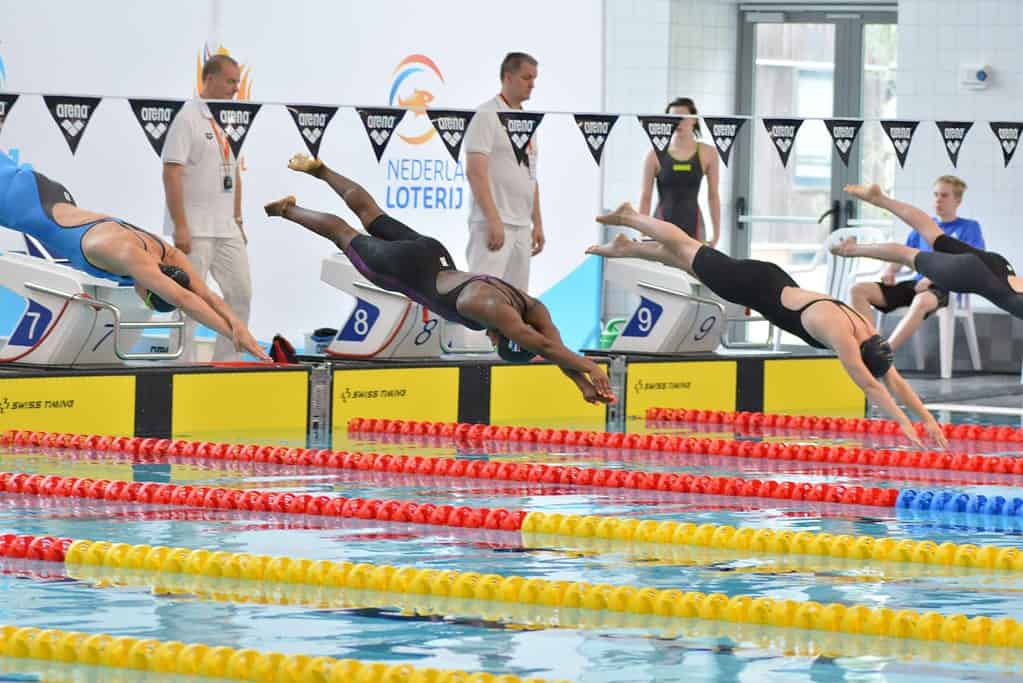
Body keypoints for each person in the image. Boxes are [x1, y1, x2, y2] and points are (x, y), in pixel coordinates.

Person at [588, 202, 946, 449]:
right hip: (754, 287)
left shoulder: (865, 329)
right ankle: (632, 218)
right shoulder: (843, 338)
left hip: (769, 279)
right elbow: (872, 384)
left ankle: (627, 247)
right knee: (686, 247)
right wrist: (903, 424)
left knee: (688, 262)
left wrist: (926, 418)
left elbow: (891, 377)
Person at [264, 154, 614, 405]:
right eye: (497, 342)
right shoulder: (489, 310)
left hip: (432, 253)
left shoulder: (530, 308)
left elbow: (551, 347)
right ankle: (286, 210)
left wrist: (581, 382)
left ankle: (323, 170)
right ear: (507, 337)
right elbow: (546, 348)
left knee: (372, 214)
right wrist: (591, 367)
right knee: (342, 232)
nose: (491, 340)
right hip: (401, 268)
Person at [0, 150, 268, 360]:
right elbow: (184, 298)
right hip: (19, 204)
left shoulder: (167, 254)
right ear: (151, 290)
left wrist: (238, 326)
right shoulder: (130, 256)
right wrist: (233, 335)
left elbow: (206, 295)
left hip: (47, 193)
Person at [162, 52, 253, 362]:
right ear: (209, 78)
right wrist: (180, 225)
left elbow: (235, 172)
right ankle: (180, 364)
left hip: (226, 227)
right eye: (230, 81)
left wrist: (238, 218)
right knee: (187, 300)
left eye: (238, 82)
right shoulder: (187, 118)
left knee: (241, 294)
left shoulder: (230, 120)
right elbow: (171, 172)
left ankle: (226, 362)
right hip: (194, 229)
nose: (235, 89)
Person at [833, 183, 1023, 319]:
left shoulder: (969, 227)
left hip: (1001, 267)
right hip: (973, 275)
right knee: (905, 253)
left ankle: (880, 199)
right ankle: (851, 249)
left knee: (932, 232)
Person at [849, 175, 984, 350]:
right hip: (916, 284)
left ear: (957, 200)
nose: (938, 200)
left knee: (921, 301)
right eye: (935, 195)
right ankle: (869, 347)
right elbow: (902, 254)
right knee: (858, 290)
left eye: (944, 195)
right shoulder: (923, 226)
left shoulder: (969, 227)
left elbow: (970, 263)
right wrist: (890, 271)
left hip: (945, 288)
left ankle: (883, 354)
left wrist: (932, 280)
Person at [463, 52, 544, 291]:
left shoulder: (526, 122)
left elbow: (531, 175)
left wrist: (537, 223)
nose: (532, 84)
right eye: (526, 78)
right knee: (482, 298)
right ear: (508, 77)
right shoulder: (486, 115)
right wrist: (493, 219)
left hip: (521, 226)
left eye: (534, 78)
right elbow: (475, 172)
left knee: (516, 302)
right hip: (495, 224)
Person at [638, 97, 720, 246]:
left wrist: (717, 233)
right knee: (660, 269)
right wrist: (642, 232)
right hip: (661, 224)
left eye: (682, 118)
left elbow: (713, 196)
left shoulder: (708, 153)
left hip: (693, 224)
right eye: (673, 118)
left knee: (693, 268)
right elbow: (645, 197)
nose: (677, 123)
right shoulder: (654, 155)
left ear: (694, 119)